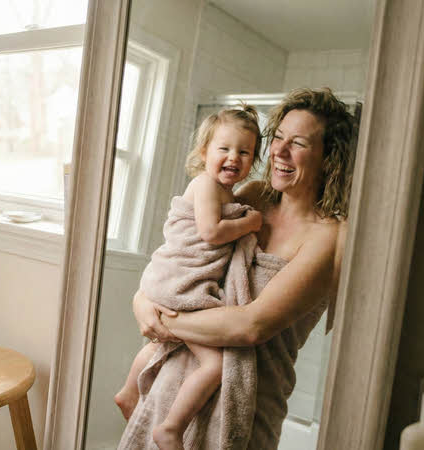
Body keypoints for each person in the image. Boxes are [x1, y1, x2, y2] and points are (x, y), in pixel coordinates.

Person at [119, 87, 356, 450]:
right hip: (179, 391)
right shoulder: (253, 196)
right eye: (277, 137)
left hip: (247, 406)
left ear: (329, 159)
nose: (278, 151)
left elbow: (251, 326)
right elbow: (184, 261)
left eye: (298, 143)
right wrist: (142, 300)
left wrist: (164, 321)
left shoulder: (329, 238)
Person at [113, 105, 263, 448]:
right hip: (180, 283)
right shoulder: (206, 184)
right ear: (204, 152)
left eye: (244, 152)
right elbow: (211, 232)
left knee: (163, 341)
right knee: (214, 364)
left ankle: (127, 391)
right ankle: (171, 428)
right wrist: (250, 223)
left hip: (172, 279)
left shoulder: (227, 193)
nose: (233, 158)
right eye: (224, 149)